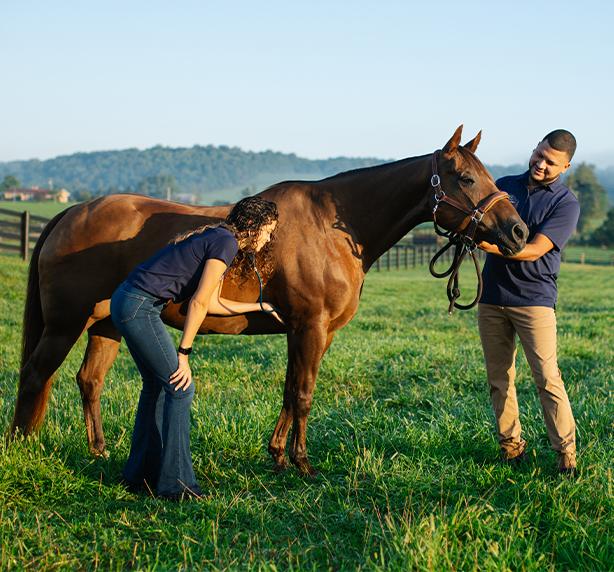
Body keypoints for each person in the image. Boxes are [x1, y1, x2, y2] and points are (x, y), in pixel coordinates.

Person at [110, 196, 282, 499]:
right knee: (180, 388)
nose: (268, 239)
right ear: (253, 226)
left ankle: (139, 476)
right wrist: (183, 354)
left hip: (128, 301)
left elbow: (211, 301)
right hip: (139, 307)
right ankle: (177, 486)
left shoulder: (219, 238)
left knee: (157, 385)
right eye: (268, 231)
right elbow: (198, 303)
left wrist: (258, 307)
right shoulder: (225, 243)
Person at [477, 129, 580, 475]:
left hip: (534, 301)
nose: (542, 164)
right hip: (491, 298)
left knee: (547, 378)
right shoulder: (504, 186)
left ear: (565, 166)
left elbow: (536, 249)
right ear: (535, 147)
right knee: (499, 378)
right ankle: (511, 448)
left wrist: (490, 247)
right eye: (540, 154)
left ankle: (566, 455)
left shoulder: (565, 204)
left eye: (552, 162)